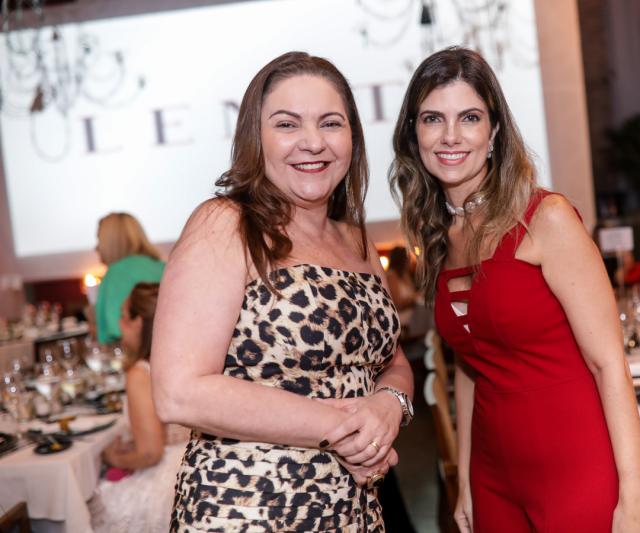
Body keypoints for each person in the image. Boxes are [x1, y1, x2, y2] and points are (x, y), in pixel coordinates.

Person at [389, 47, 640, 532]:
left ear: (494, 132)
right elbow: (470, 365)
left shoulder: (546, 219)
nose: (450, 135)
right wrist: (466, 478)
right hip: (493, 476)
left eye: (469, 117)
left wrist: (634, 493)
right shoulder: (440, 236)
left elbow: (609, 363)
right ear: (414, 134)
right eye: (432, 119)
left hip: (573, 466)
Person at [150, 52, 414, 532]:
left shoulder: (357, 241)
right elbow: (179, 392)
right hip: (248, 507)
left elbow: (391, 360)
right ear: (257, 138)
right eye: (287, 124)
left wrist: (389, 405)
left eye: (330, 123)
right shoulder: (226, 224)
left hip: (352, 510)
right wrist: (346, 432)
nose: (313, 142)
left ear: (352, 138)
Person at [91, 282, 189, 532]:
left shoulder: (140, 374)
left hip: (166, 476)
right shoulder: (185, 362)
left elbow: (150, 453)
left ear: (138, 323)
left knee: (94, 502)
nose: (119, 324)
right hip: (190, 463)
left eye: (124, 317)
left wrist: (113, 458)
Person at [94, 213, 165, 345]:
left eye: (99, 240)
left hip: (136, 352)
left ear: (110, 243)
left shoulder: (114, 274)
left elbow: (111, 333)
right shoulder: (165, 267)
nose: (96, 248)